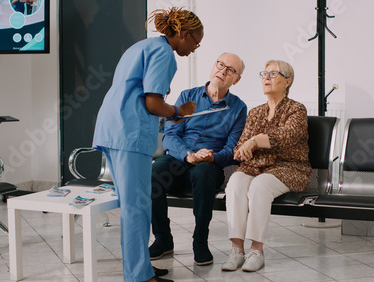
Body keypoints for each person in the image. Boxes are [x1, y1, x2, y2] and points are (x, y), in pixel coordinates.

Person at [92, 7, 202, 282]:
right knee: (136, 207)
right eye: (196, 42)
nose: (194, 48)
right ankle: (139, 276)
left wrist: (170, 118)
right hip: (129, 133)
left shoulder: (142, 45)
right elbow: (152, 103)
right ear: (184, 34)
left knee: (133, 205)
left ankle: (140, 268)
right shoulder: (164, 53)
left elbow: (138, 95)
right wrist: (180, 111)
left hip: (114, 127)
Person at [150, 53, 248, 266]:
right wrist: (188, 155)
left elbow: (232, 148)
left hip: (210, 164)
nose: (222, 71)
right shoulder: (188, 96)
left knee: (203, 173)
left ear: (236, 79)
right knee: (155, 172)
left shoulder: (238, 108)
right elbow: (170, 135)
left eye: (230, 70)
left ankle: (200, 241)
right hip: (181, 157)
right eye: (220, 64)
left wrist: (211, 157)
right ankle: (163, 239)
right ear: (214, 66)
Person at [221, 60, 312, 272]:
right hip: (255, 167)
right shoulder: (255, 112)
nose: (266, 78)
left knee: (259, 186)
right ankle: (237, 250)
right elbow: (240, 145)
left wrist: (254, 142)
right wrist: (242, 149)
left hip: (289, 168)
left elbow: (285, 137)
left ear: (287, 81)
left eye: (273, 74)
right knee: (235, 183)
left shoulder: (296, 109)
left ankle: (256, 251)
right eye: (264, 74)